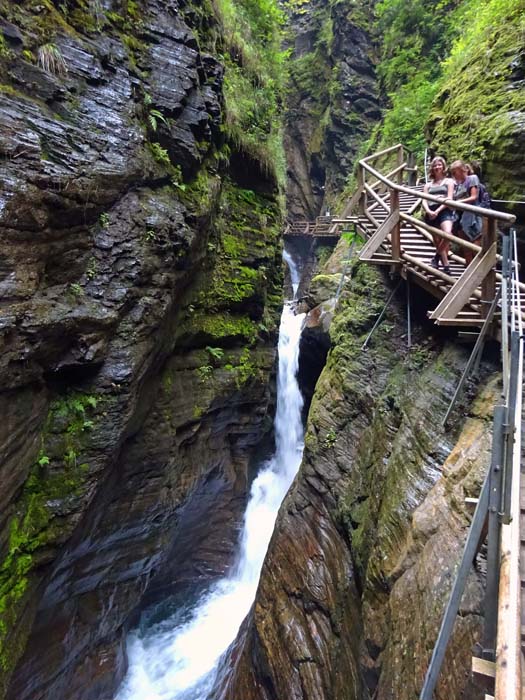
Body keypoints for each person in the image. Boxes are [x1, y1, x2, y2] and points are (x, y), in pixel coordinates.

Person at [422, 156, 455, 273]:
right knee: (436, 239)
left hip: (444, 210)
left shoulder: (449, 182)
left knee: (448, 234)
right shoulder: (428, 185)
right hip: (430, 211)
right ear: (432, 168)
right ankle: (446, 265)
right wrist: (428, 211)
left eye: (439, 165)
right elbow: (424, 200)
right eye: (435, 165)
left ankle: (436, 257)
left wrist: (437, 210)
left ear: (443, 166)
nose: (437, 167)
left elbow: (449, 198)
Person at [450, 160, 482, 265]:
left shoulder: (472, 178)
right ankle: (468, 269)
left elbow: (474, 197)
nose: (454, 175)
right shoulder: (458, 184)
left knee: (475, 245)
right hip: (460, 217)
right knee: (465, 246)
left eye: (455, 172)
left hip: (472, 216)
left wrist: (457, 202)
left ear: (462, 170)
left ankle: (480, 270)